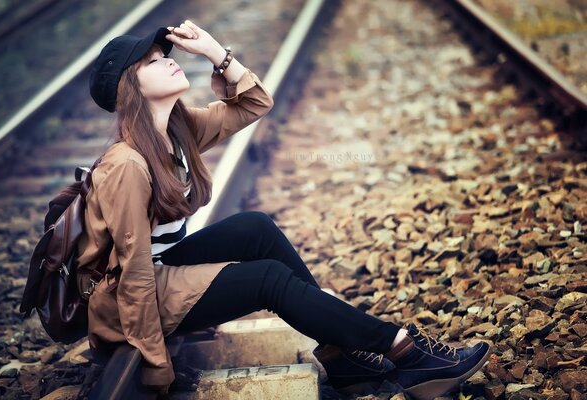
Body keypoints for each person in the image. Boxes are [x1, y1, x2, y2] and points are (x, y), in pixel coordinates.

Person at [77, 20, 491, 399]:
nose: (167, 61)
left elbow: (255, 103)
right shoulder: (126, 164)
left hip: (162, 265)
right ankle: (403, 349)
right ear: (131, 86)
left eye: (164, 55)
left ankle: (340, 355)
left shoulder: (177, 132)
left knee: (254, 227)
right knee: (267, 280)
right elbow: (131, 272)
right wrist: (155, 362)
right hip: (134, 292)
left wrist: (216, 53)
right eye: (152, 62)